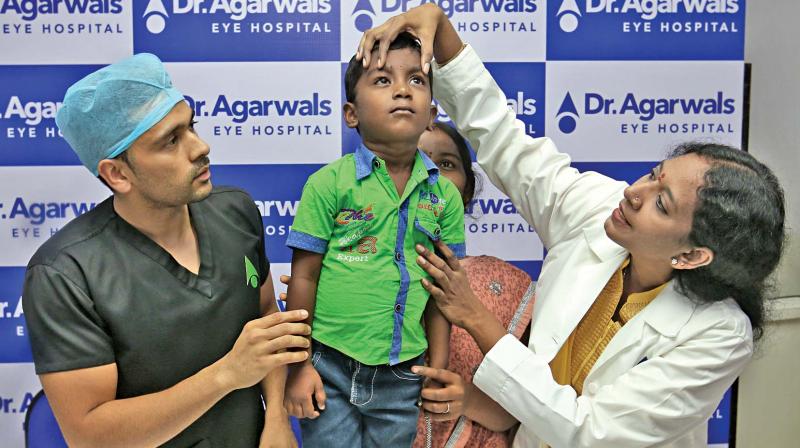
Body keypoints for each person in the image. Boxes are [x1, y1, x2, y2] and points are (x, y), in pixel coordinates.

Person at [357, 5, 787, 448]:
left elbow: (589, 431)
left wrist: (475, 318)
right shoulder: (597, 208)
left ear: (693, 255)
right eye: (655, 172)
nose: (634, 193)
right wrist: (442, 31)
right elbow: (507, 143)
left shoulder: (719, 335)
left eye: (661, 203)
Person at [21, 53, 311, 448]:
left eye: (191, 126)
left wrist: (276, 417)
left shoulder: (235, 212)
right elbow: (91, 436)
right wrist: (226, 374)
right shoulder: (65, 274)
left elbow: (264, 317)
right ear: (117, 174)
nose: (200, 147)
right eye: (171, 141)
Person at [282, 32, 466, 447]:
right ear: (351, 113)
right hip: (327, 364)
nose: (402, 89)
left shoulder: (446, 196)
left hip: (406, 373)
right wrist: (298, 366)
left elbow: (443, 292)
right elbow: (304, 279)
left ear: (431, 113)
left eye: (416, 80)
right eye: (383, 80)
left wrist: (437, 366)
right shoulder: (328, 184)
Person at [414, 123, 535, 448]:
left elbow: (523, 409)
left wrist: (467, 399)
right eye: (415, 159)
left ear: (467, 191)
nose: (430, 174)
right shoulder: (351, 274)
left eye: (447, 164)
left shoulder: (507, 285)